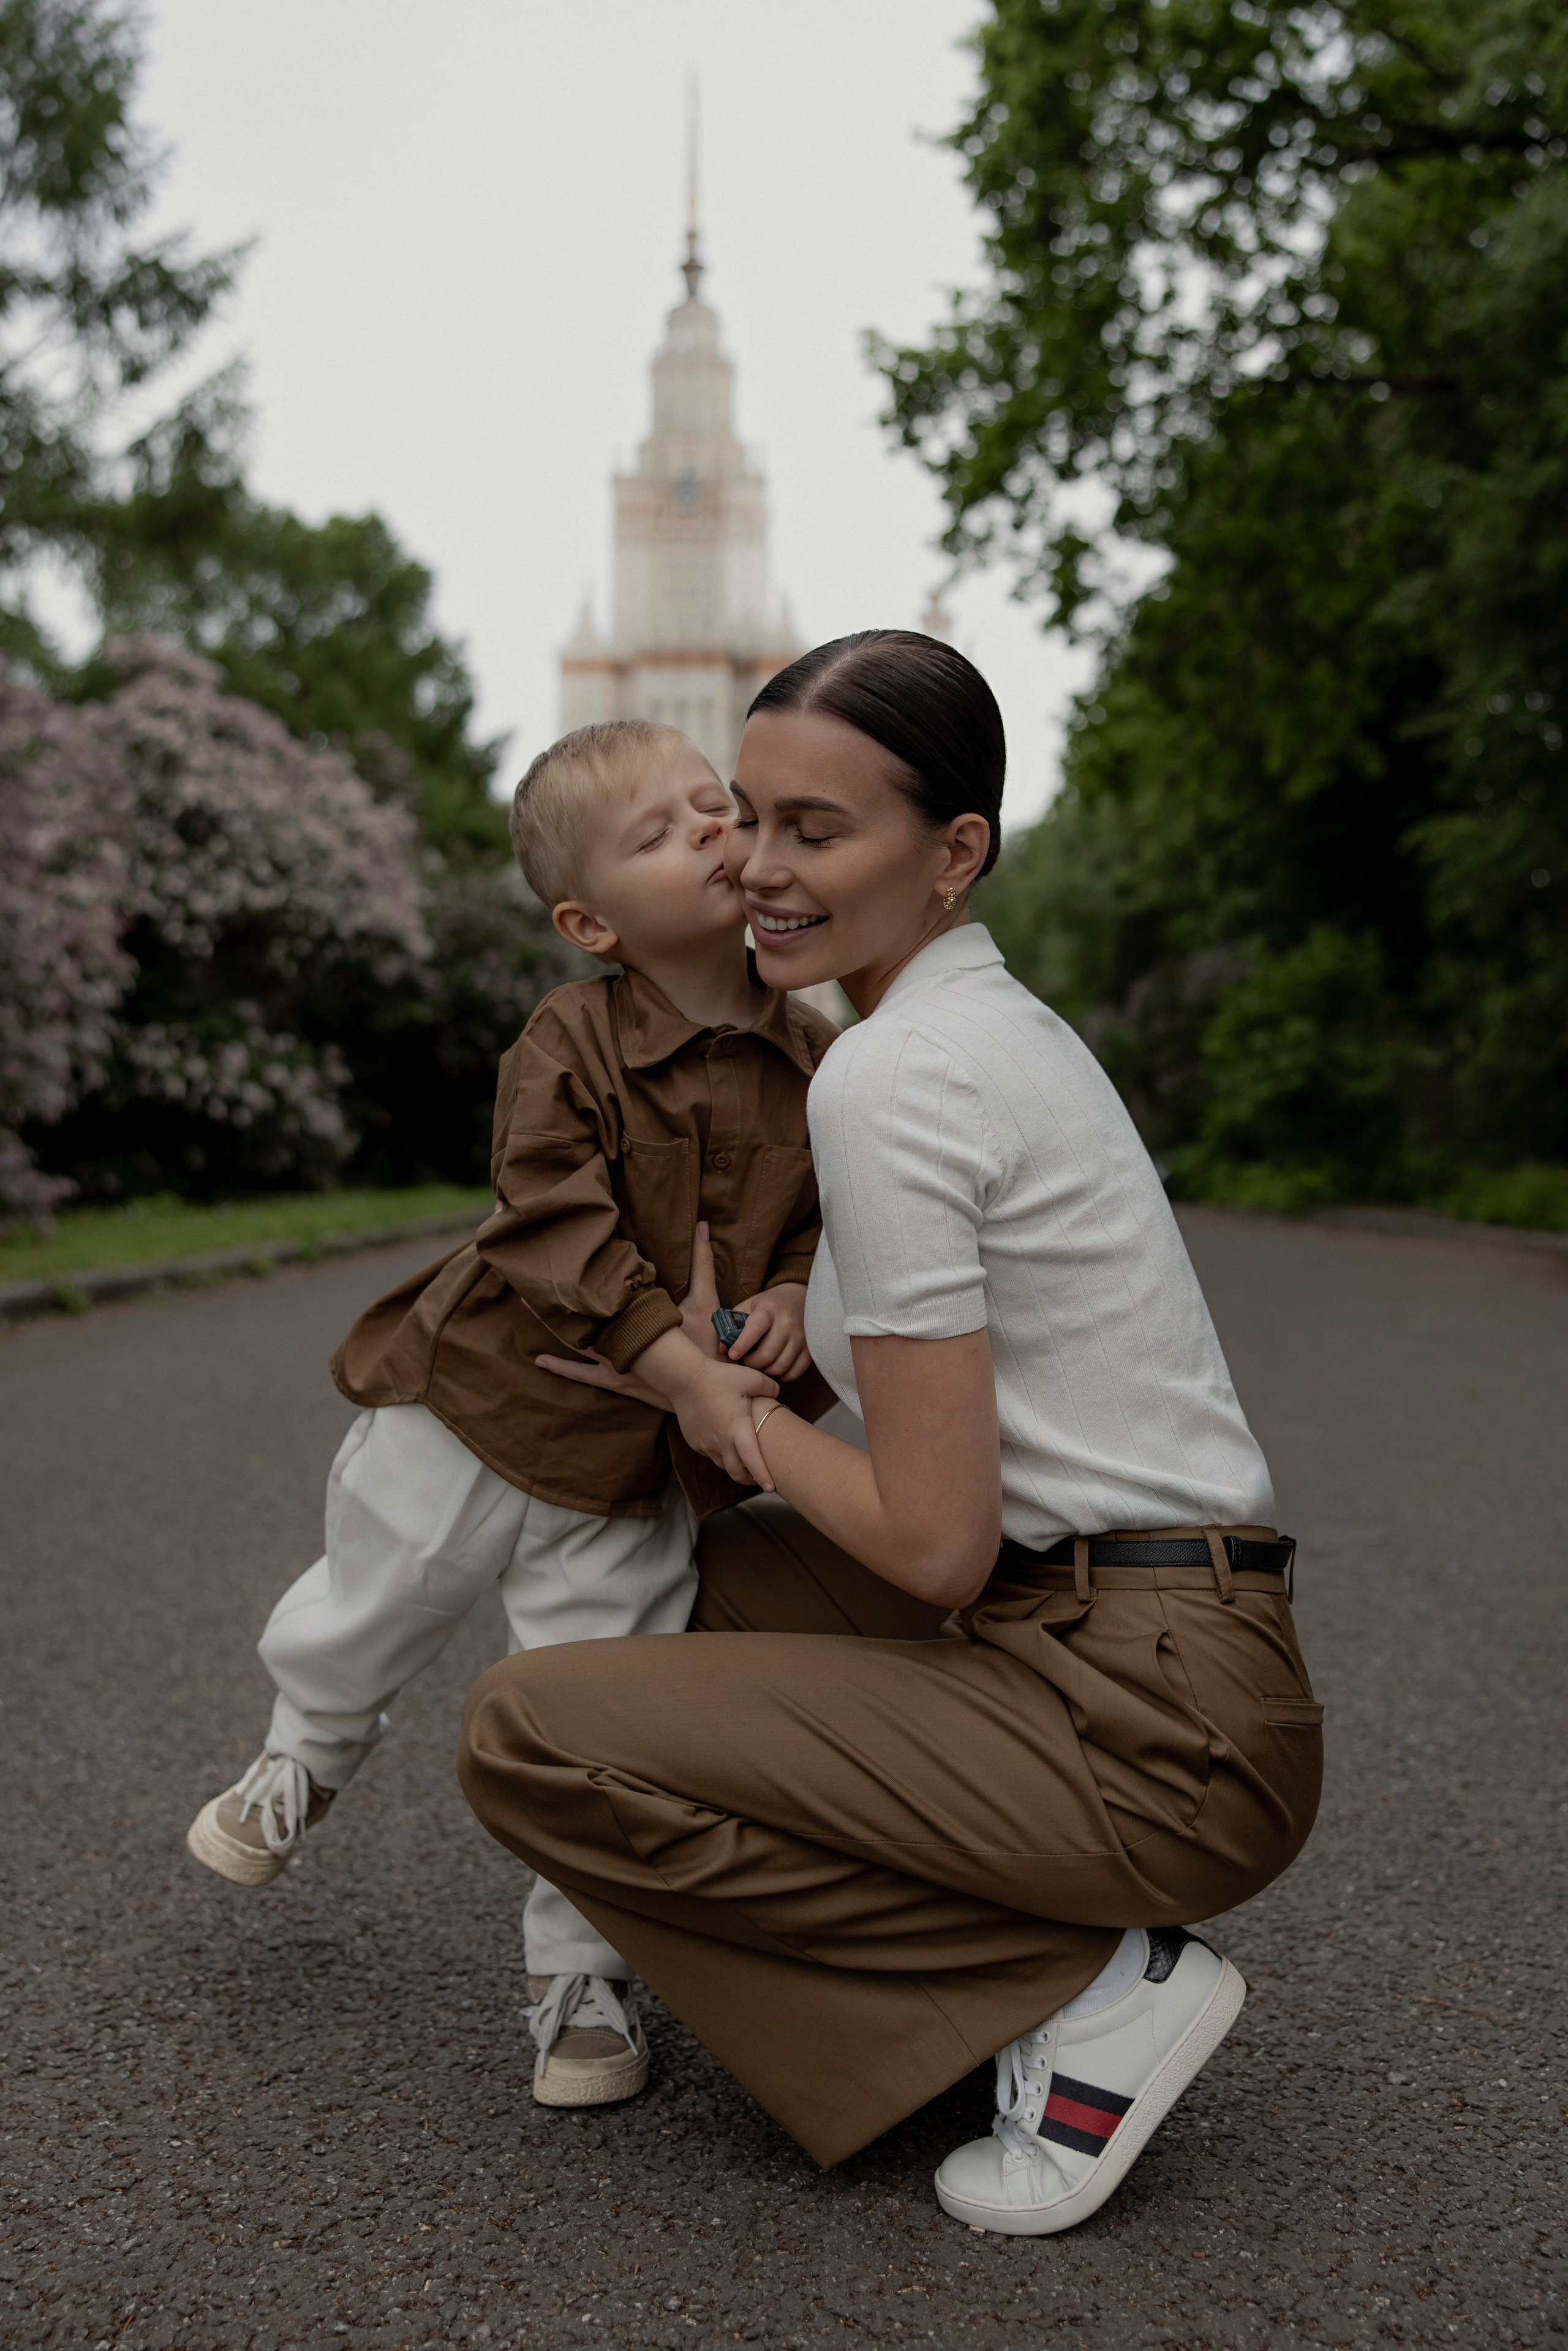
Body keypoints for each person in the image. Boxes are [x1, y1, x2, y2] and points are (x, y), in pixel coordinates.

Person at [456, 633, 1324, 2233]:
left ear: (952, 852)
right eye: (747, 817)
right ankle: (997, 1971)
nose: (755, 867)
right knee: (684, 1583)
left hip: (1152, 1729)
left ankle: (1077, 1988)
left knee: (529, 1728)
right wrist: (727, 1348)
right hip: (1140, 1638)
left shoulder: (892, 1073)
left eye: (818, 830)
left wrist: (714, 1400)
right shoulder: (981, 1026)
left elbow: (932, 1541)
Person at [186, 718, 838, 2108]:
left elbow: (822, 1214)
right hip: (484, 1398)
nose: (710, 831)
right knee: (382, 1583)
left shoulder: (816, 1053)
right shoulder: (569, 1037)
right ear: (591, 921)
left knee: (601, 1712)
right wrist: (681, 1368)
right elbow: (550, 1215)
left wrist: (793, 1291)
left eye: (715, 804)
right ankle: (305, 1750)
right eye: (658, 831)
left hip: (626, 1473)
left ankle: (581, 1971)